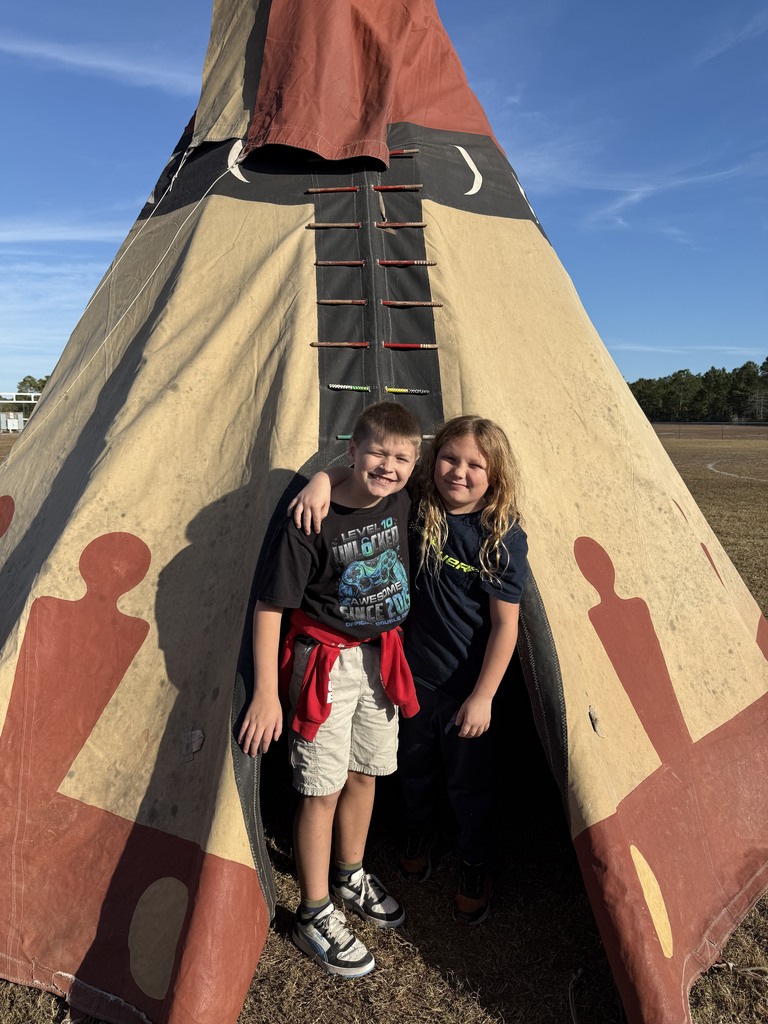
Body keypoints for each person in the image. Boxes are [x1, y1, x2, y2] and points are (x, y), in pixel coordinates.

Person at [290, 414, 528, 926]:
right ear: (431, 462)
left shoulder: (499, 537)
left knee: (469, 780)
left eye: (475, 465)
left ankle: (473, 859)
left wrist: (484, 695)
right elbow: (365, 474)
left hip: (465, 684)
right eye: (449, 458)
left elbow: (506, 625)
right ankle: (419, 832)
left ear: (496, 476)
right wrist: (319, 478)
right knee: (411, 767)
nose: (459, 472)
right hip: (407, 677)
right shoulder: (416, 508)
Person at [238, 401, 422, 978]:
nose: (388, 466)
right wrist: (267, 690)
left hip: (381, 659)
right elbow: (271, 606)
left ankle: (350, 871)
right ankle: (313, 911)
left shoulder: (401, 498)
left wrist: (327, 476)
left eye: (401, 458)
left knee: (365, 774)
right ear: (350, 452)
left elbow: (460, 472)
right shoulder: (312, 520)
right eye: (376, 453)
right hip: (327, 664)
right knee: (321, 786)